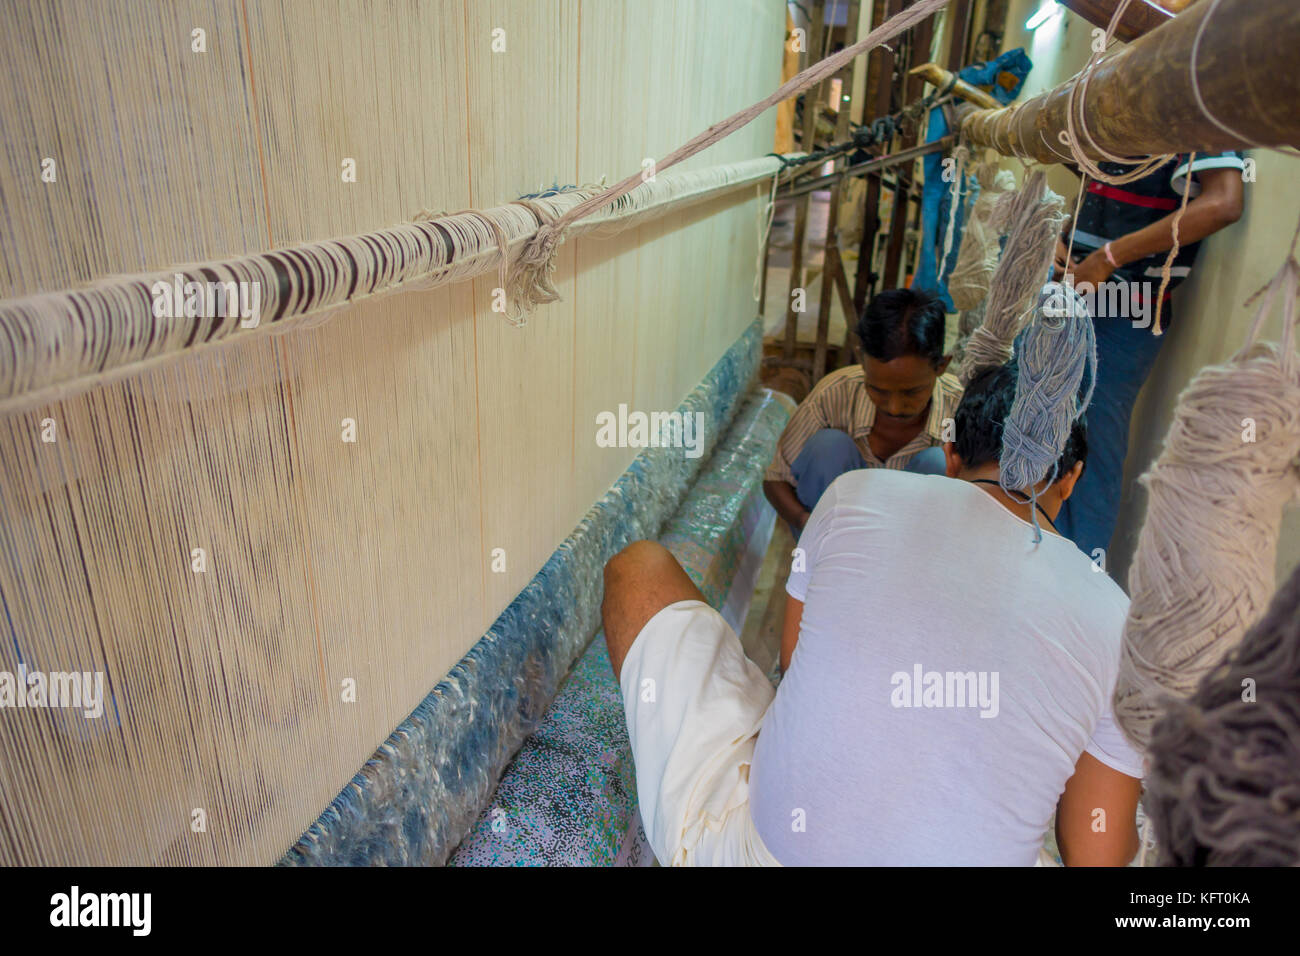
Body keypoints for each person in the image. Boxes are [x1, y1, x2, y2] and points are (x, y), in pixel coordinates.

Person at [602, 360, 1143, 866]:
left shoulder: (851, 496)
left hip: (761, 855)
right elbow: (1096, 853)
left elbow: (793, 669)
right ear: (1070, 478)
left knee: (638, 570)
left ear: (952, 455)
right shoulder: (1118, 620)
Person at [1051, 152, 1245, 567]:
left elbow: (1224, 203)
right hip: (1078, 288)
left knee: (1089, 454)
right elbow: (1108, 182)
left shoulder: (1195, 100)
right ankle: (1041, 581)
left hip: (1122, 304)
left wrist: (1107, 258)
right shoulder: (1129, 101)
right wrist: (1069, 233)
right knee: (1047, 439)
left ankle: (1078, 593)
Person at [763, 288, 963, 536]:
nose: (894, 407)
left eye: (911, 392)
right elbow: (774, 478)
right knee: (829, 447)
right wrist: (808, 524)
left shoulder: (959, 409)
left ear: (941, 366)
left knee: (942, 463)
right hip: (834, 539)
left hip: (912, 550)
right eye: (877, 390)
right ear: (861, 360)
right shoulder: (835, 394)